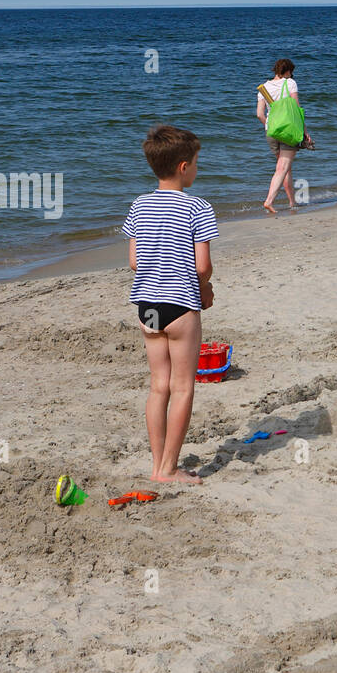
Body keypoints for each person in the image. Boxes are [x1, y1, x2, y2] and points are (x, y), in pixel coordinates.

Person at [123, 125, 218, 485]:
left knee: (158, 385)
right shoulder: (198, 207)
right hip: (180, 303)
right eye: (196, 162)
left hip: (146, 304)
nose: (197, 168)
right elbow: (202, 266)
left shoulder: (139, 204)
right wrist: (205, 289)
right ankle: (169, 468)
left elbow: (134, 261)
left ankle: (155, 464)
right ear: (183, 166)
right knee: (182, 387)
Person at [256, 58, 314, 214]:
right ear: (287, 71)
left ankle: (292, 202)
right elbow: (296, 108)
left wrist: (269, 126)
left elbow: (259, 114)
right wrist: (304, 131)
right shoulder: (290, 83)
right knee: (282, 168)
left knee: (284, 168)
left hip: (271, 132)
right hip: (288, 131)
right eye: (291, 72)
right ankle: (269, 201)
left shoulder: (264, 88)